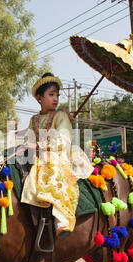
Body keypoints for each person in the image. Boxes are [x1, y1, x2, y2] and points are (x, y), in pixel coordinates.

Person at [21, 73, 93, 238]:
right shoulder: (34, 119)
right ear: (40, 98)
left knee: (51, 167)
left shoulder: (60, 116)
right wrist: (25, 144)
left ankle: (61, 220)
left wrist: (39, 145)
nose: (55, 98)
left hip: (60, 155)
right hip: (40, 155)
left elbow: (63, 140)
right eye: (51, 94)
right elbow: (29, 138)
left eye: (57, 95)